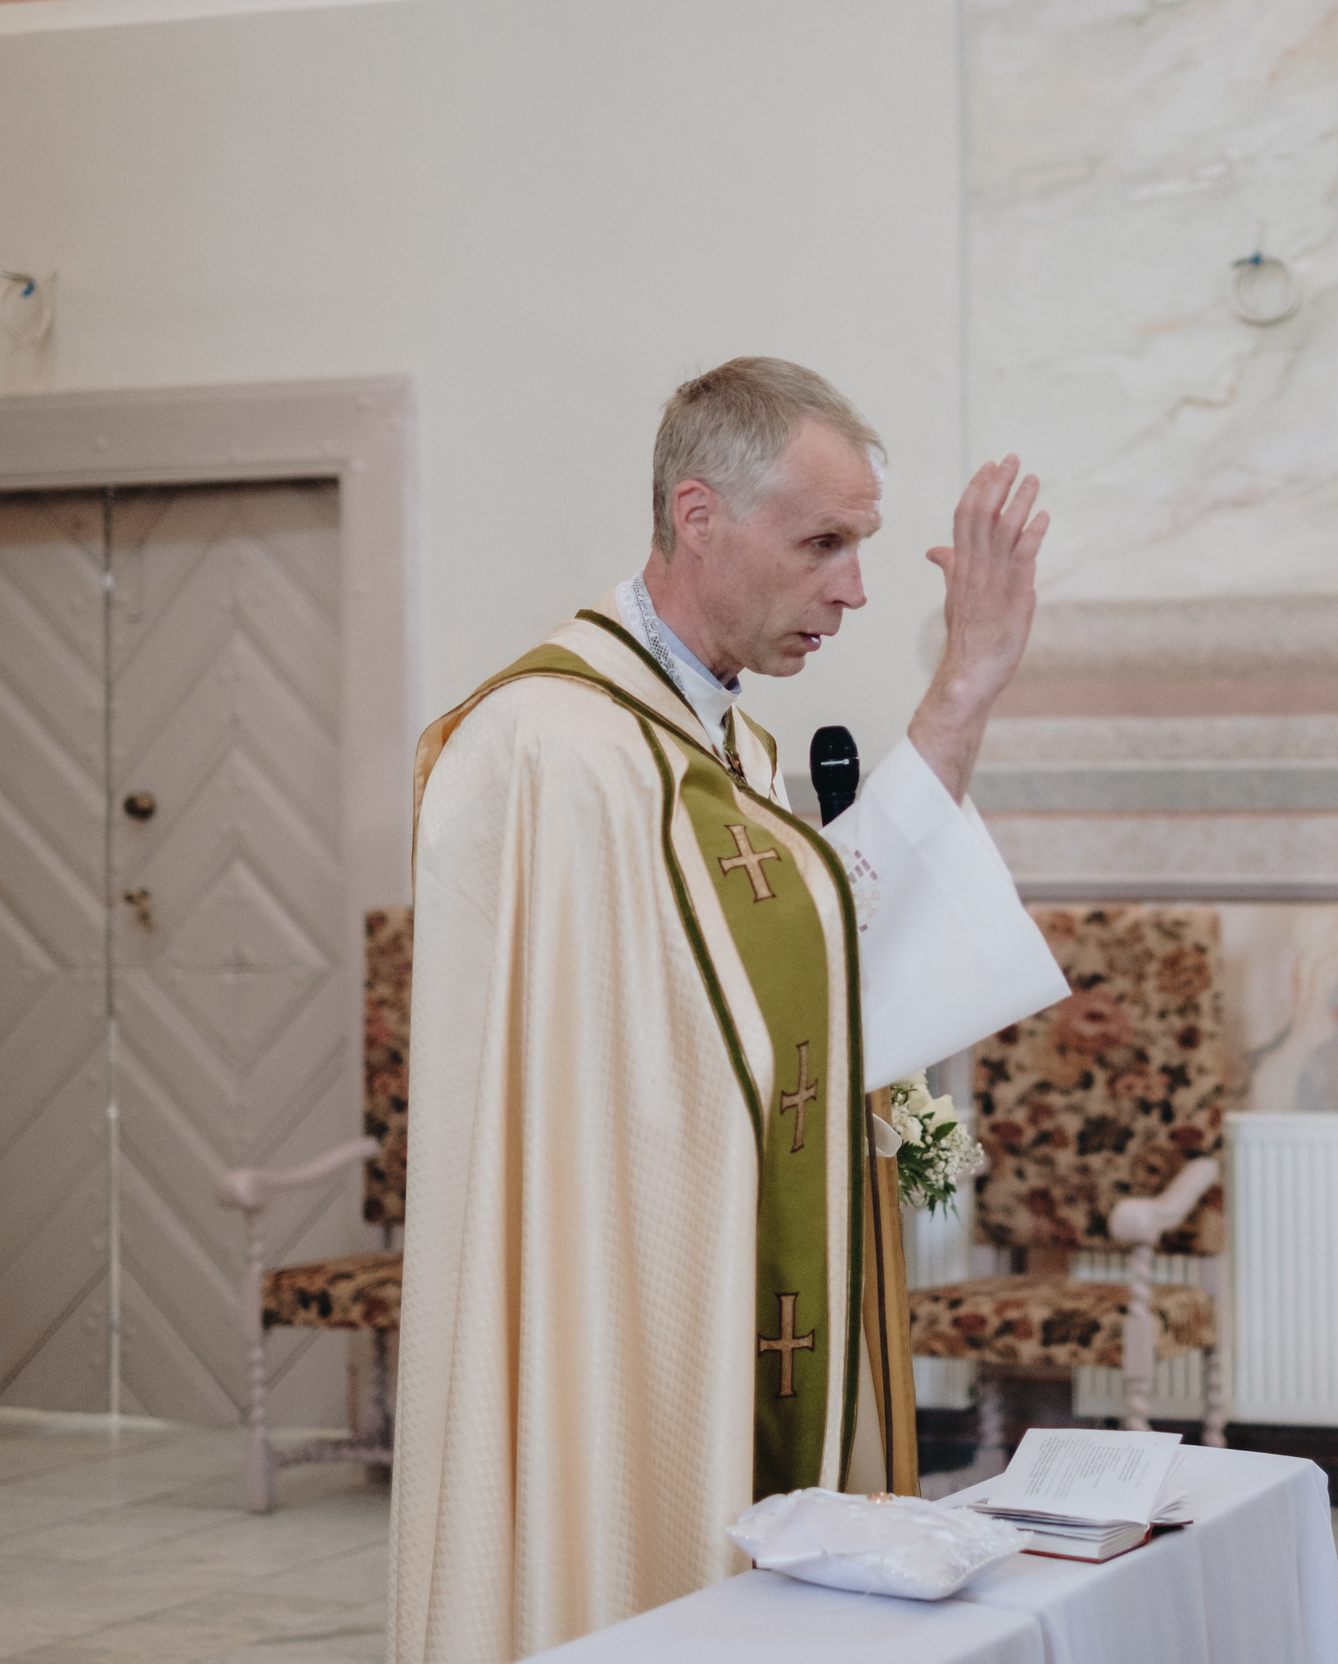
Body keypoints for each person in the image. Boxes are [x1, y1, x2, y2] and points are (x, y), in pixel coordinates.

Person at [389, 358, 1071, 1662]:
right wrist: (963, 682)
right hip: (614, 1304)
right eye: (823, 542)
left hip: (720, 1281)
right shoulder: (550, 745)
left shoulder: (732, 754)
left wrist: (973, 680)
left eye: (861, 547)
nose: (855, 589)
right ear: (698, 517)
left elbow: (826, 947)